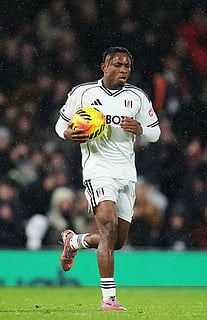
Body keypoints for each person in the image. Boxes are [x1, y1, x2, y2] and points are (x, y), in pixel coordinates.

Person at [54, 46, 160, 311]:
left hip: (127, 174)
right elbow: (60, 124)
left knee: (117, 241)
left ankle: (75, 241)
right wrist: (68, 134)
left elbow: (155, 133)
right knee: (109, 229)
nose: (123, 70)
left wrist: (140, 129)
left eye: (127, 66)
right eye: (118, 65)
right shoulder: (84, 93)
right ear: (104, 66)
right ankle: (109, 299)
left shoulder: (137, 97)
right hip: (98, 170)